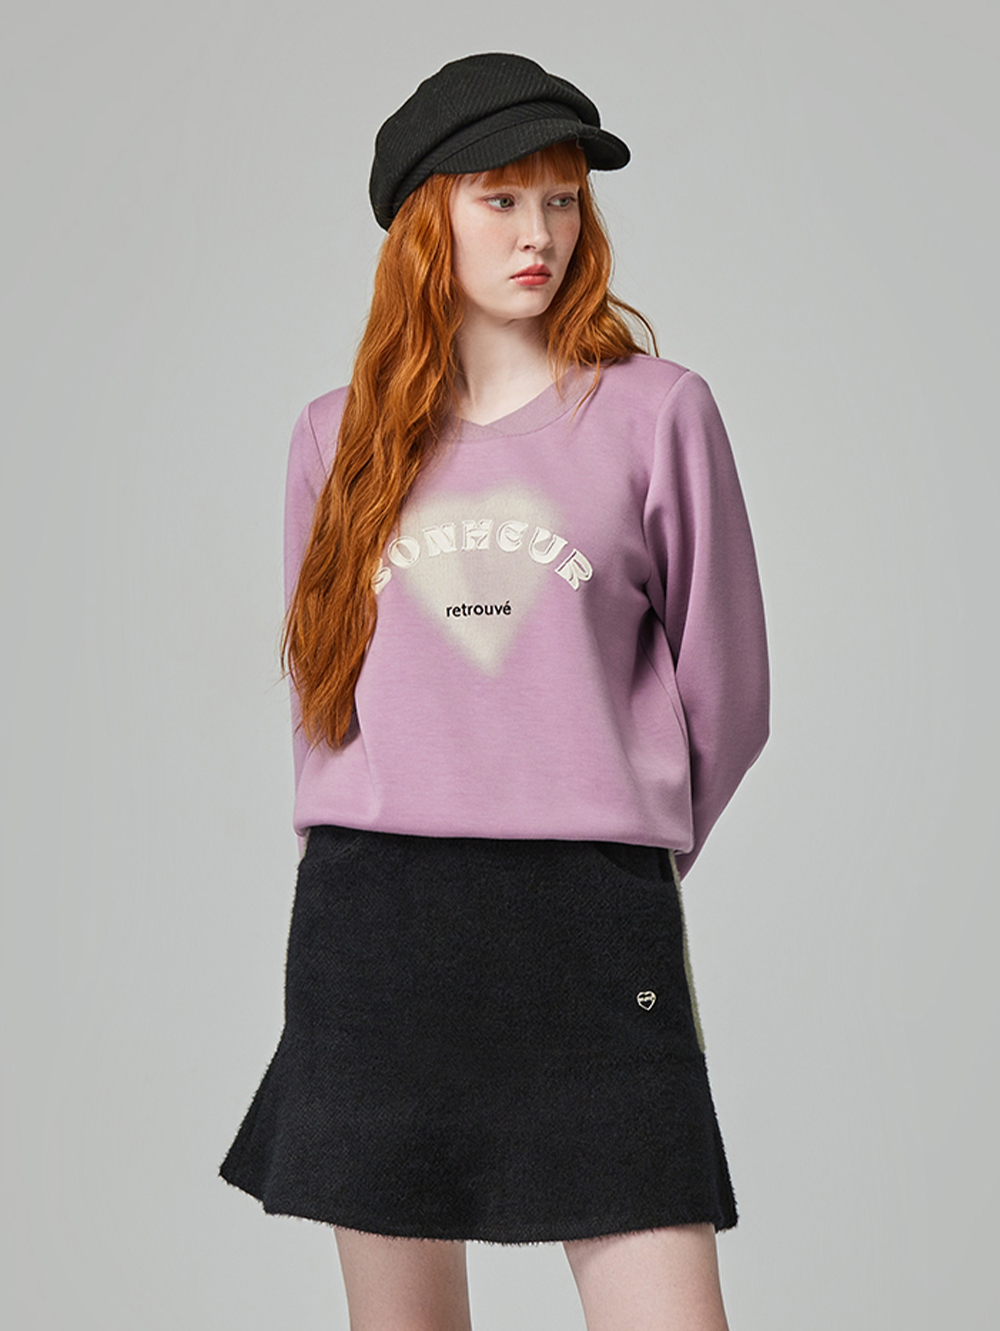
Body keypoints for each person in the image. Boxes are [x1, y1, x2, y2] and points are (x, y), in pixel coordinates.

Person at [220, 52, 769, 1331]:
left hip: (588, 920)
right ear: (429, 218)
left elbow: (729, 690)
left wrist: (621, 829)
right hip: (377, 923)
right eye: (502, 199)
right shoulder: (335, 437)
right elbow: (324, 693)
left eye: (562, 199)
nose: (541, 234)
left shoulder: (656, 414)